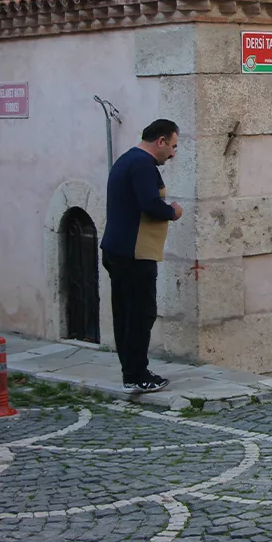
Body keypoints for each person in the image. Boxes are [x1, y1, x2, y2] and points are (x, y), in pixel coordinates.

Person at [100, 119, 183, 393]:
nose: (172, 153)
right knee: (140, 315)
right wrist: (173, 211)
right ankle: (138, 375)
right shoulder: (141, 164)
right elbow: (149, 204)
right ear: (160, 141)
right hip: (134, 253)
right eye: (172, 146)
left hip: (119, 249)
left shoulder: (129, 160)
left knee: (126, 313)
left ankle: (131, 374)